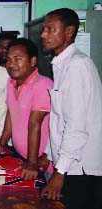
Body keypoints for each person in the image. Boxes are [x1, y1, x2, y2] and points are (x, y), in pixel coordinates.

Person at [40, 8, 102, 209]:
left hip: (79, 168)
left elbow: (76, 126)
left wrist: (59, 174)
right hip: (67, 166)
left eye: (51, 29)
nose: (43, 34)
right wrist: (47, 155)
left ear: (69, 31)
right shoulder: (61, 64)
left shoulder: (77, 66)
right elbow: (59, 119)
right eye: (44, 29)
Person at [0, 38, 53, 180]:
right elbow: (11, 113)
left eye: (17, 59)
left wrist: (32, 163)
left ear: (32, 61)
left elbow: (34, 123)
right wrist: (2, 143)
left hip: (42, 166)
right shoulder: (11, 83)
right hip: (23, 160)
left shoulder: (42, 84)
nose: (11, 64)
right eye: (8, 59)